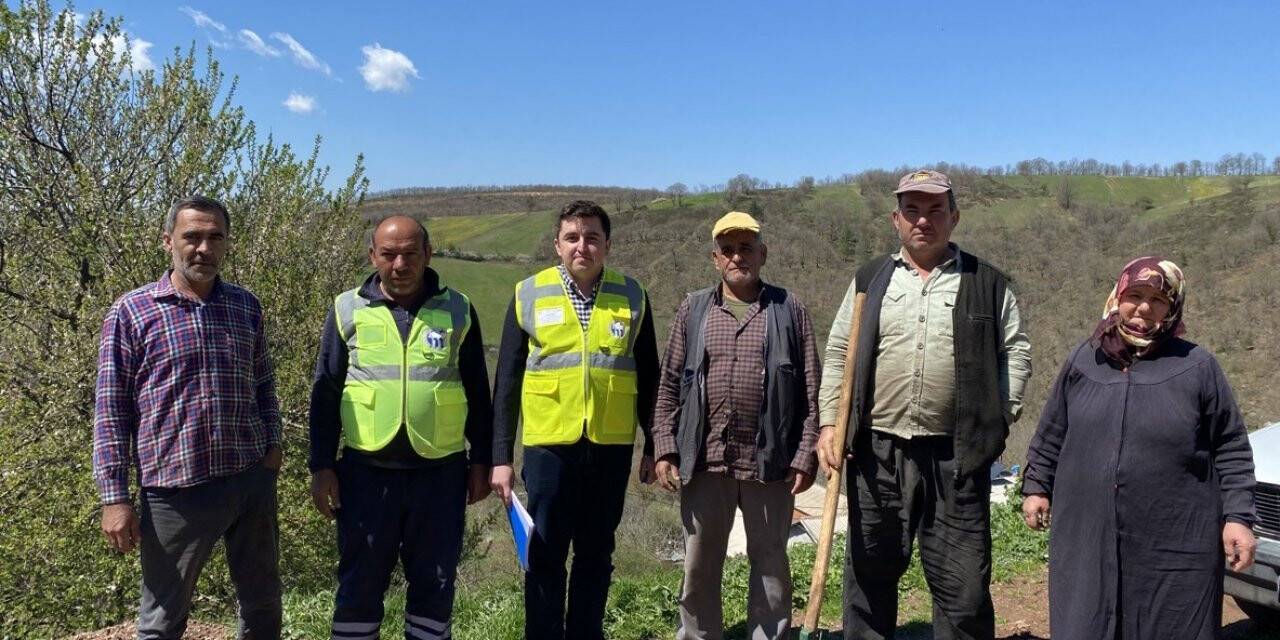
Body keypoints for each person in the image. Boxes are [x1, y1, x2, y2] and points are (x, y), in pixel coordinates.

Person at [816, 170, 1032, 640]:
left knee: (965, 588)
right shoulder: (869, 279)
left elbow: (1015, 352)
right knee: (869, 576)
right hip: (877, 454)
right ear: (896, 219)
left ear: (953, 217)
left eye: (936, 210)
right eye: (912, 210)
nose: (923, 220)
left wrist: (1001, 416)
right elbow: (840, 353)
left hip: (956, 458)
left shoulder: (988, 283)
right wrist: (831, 426)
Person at [1021, 257, 1256, 640]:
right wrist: (1036, 486)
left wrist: (1238, 517)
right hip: (1087, 535)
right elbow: (1052, 429)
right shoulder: (1085, 360)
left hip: (1175, 540)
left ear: (1173, 306)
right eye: (1135, 295)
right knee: (1086, 622)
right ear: (1118, 296)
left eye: (1158, 299)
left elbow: (1230, 447)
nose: (1144, 307)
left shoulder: (1197, 366)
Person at [93, 196, 283, 639]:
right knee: (162, 617)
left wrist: (272, 447)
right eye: (192, 237)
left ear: (226, 243)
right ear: (168, 241)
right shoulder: (133, 312)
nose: (203, 248)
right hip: (174, 492)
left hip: (248, 480)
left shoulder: (244, 306)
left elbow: (263, 384)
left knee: (262, 600)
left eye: (215, 237)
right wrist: (114, 498)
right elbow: (110, 410)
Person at [308, 215, 492, 640]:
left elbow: (478, 392)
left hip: (441, 475)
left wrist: (482, 458)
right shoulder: (346, 308)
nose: (400, 264)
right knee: (359, 585)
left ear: (428, 254)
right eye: (389, 254)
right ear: (373, 256)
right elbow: (326, 392)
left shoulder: (459, 308)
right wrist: (321, 466)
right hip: (365, 475)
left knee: (435, 586)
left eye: (411, 253)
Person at [489, 200, 659, 640]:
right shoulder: (528, 293)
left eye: (592, 237)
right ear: (557, 244)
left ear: (607, 244)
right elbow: (505, 382)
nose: (582, 246)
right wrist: (500, 457)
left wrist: (657, 446)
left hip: (611, 446)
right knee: (545, 555)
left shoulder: (633, 295)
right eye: (572, 237)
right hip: (548, 448)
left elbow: (651, 378)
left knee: (597, 553)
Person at [651, 211, 821, 640]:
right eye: (728, 250)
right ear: (715, 258)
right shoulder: (693, 309)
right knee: (698, 567)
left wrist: (805, 456)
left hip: (771, 463)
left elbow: (812, 392)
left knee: (771, 567)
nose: (737, 257)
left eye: (746, 248)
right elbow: (669, 383)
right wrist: (665, 447)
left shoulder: (789, 308)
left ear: (763, 254)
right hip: (705, 460)